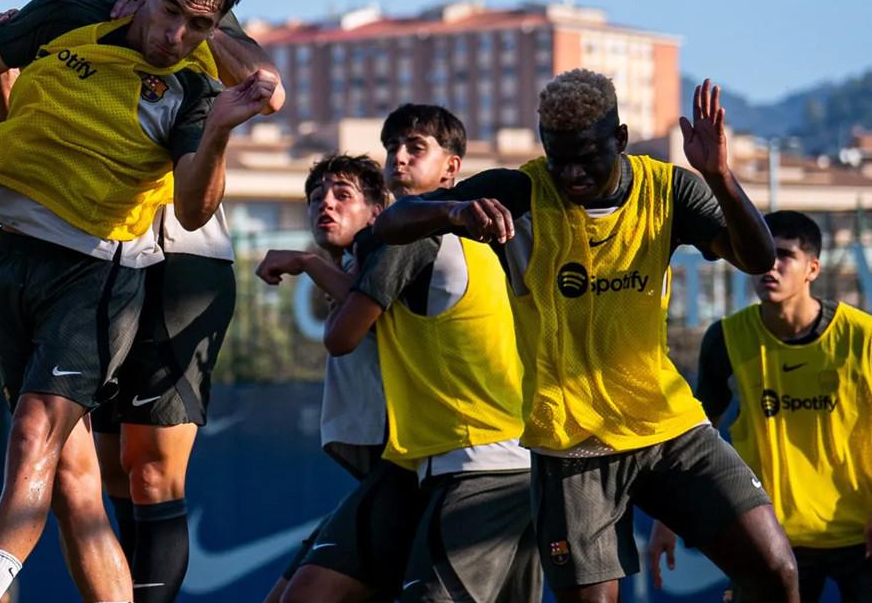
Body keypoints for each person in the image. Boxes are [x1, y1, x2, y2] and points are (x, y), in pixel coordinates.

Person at [0, 0, 275, 603]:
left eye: (199, 25)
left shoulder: (192, 86)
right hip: (15, 255)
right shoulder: (64, 15)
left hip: (98, 277)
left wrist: (218, 129)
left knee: (32, 436)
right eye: (171, 11)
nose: (176, 34)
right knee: (74, 484)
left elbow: (193, 210)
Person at [374, 71, 796, 602]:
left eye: (587, 157)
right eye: (559, 157)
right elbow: (390, 224)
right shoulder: (523, 190)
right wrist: (452, 209)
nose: (571, 173)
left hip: (666, 427)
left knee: (777, 570)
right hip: (572, 444)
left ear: (619, 138)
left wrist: (718, 175)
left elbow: (756, 257)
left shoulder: (668, 189)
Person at [318, 105, 540, 602]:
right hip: (457, 460)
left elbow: (341, 337)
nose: (398, 156)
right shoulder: (476, 232)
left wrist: (314, 267)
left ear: (451, 167)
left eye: (415, 147)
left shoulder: (409, 233)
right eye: (392, 146)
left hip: (476, 460)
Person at [650, 210, 872, 602]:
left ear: (813, 269)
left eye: (784, 255)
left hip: (861, 532)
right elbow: (695, 432)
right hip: (773, 535)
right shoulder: (728, 337)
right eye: (761, 253)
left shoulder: (862, 335)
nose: (769, 265)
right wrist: (668, 519)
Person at [253, 155, 405, 603]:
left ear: (377, 212)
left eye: (343, 195)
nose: (327, 205)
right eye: (317, 197)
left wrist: (306, 261)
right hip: (379, 474)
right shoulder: (352, 269)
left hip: (409, 467)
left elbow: (379, 317)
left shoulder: (388, 257)